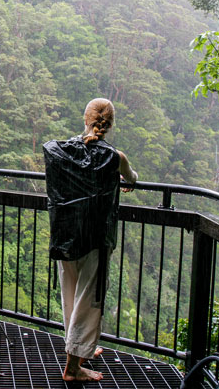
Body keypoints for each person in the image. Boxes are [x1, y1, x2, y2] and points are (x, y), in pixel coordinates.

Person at [42, 98, 138, 382]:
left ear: (85, 118)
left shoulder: (61, 150)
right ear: (110, 125)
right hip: (95, 237)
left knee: (71, 293)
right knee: (89, 299)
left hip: (66, 233)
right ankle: (73, 368)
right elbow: (131, 178)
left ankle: (78, 349)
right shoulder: (115, 157)